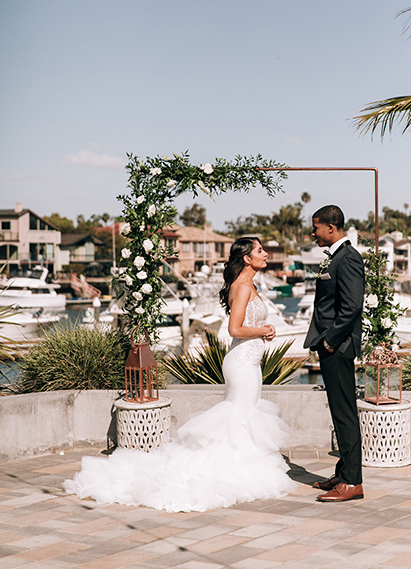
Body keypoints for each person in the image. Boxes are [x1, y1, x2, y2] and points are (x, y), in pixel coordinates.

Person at [64, 237, 296, 512]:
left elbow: (246, 326)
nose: (266, 254)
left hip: (250, 362)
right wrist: (263, 331)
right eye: (260, 250)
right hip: (242, 364)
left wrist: (261, 333)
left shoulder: (251, 284)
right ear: (246, 258)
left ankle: (237, 469)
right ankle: (228, 473)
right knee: (239, 417)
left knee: (245, 416)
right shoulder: (242, 286)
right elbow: (234, 329)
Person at [304, 205, 365, 502]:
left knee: (345, 413)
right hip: (331, 345)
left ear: (331, 227)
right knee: (339, 411)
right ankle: (343, 472)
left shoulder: (349, 258)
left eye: (315, 227)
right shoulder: (335, 257)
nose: (312, 233)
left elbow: (352, 306)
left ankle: (353, 483)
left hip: (338, 347)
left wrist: (330, 341)